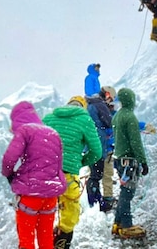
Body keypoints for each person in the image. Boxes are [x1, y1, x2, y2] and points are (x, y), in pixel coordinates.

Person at [1, 101, 67, 249]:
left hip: (30, 195)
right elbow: (58, 165)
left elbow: (9, 158)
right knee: (46, 239)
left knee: (26, 241)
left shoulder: (25, 130)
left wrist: (9, 175)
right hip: (50, 197)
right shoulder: (53, 133)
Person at [42, 96, 102, 249]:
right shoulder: (85, 119)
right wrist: (80, 162)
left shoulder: (48, 118)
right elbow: (97, 151)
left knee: (44, 212)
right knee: (69, 213)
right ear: (82, 107)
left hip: (45, 174)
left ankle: (44, 241)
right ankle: (62, 242)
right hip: (68, 175)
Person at [111, 88, 149, 239]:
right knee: (128, 192)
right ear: (130, 99)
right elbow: (135, 142)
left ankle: (118, 223)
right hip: (129, 161)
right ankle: (127, 225)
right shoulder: (130, 117)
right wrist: (143, 161)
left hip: (119, 159)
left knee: (124, 191)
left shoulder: (118, 116)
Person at [84, 85, 115, 212]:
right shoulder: (100, 105)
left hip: (91, 142)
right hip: (99, 143)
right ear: (107, 95)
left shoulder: (91, 105)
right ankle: (97, 203)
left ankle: (94, 200)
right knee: (97, 175)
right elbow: (109, 122)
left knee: (94, 174)